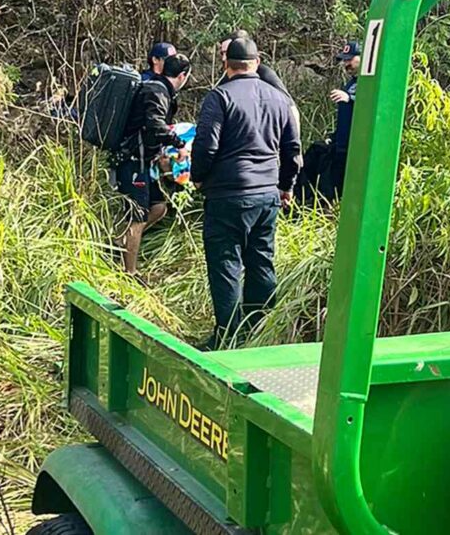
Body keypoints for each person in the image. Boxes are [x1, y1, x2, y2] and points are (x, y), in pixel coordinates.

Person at [192, 38, 302, 348]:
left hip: (227, 194)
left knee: (226, 263)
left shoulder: (220, 97)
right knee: (261, 260)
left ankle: (227, 338)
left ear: (227, 65)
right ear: (257, 62)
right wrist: (286, 186)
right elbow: (292, 149)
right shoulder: (279, 99)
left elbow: (206, 146)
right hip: (266, 194)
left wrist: (199, 177)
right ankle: (261, 331)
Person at [115, 53, 191, 275]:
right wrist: (179, 145)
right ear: (183, 75)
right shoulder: (156, 91)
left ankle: (120, 242)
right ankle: (129, 272)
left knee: (158, 208)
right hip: (132, 161)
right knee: (137, 217)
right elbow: (156, 125)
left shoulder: (160, 90)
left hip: (144, 161)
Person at [328, 40, 361, 199]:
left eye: (350, 59)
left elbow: (372, 104)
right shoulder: (351, 83)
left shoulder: (370, 82)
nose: (346, 63)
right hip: (342, 144)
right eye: (344, 60)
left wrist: (350, 98)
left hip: (355, 147)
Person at [218, 29, 289, 98]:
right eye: (222, 53)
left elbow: (288, 103)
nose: (224, 58)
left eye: (227, 53)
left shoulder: (265, 73)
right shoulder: (226, 80)